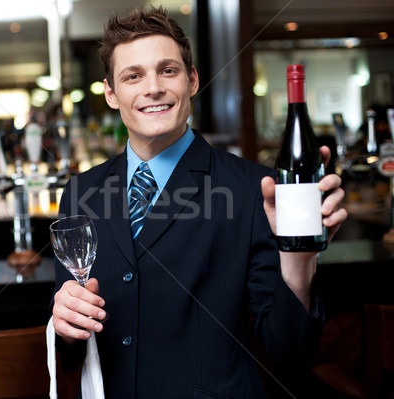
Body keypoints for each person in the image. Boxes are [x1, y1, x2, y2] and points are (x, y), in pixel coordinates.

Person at [51, 5, 347, 398]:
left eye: (167, 70)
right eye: (133, 76)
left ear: (192, 81)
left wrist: (299, 258)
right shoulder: (80, 193)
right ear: (111, 92)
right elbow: (72, 348)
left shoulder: (256, 189)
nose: (153, 87)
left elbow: (290, 354)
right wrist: (65, 326)